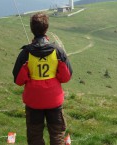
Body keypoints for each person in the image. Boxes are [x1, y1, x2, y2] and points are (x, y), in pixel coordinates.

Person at [12, 12, 73, 145]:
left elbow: (18, 80)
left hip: (34, 101)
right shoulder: (58, 51)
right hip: (54, 100)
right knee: (57, 134)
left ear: (31, 29)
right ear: (47, 28)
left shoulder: (25, 53)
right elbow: (66, 76)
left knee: (35, 136)